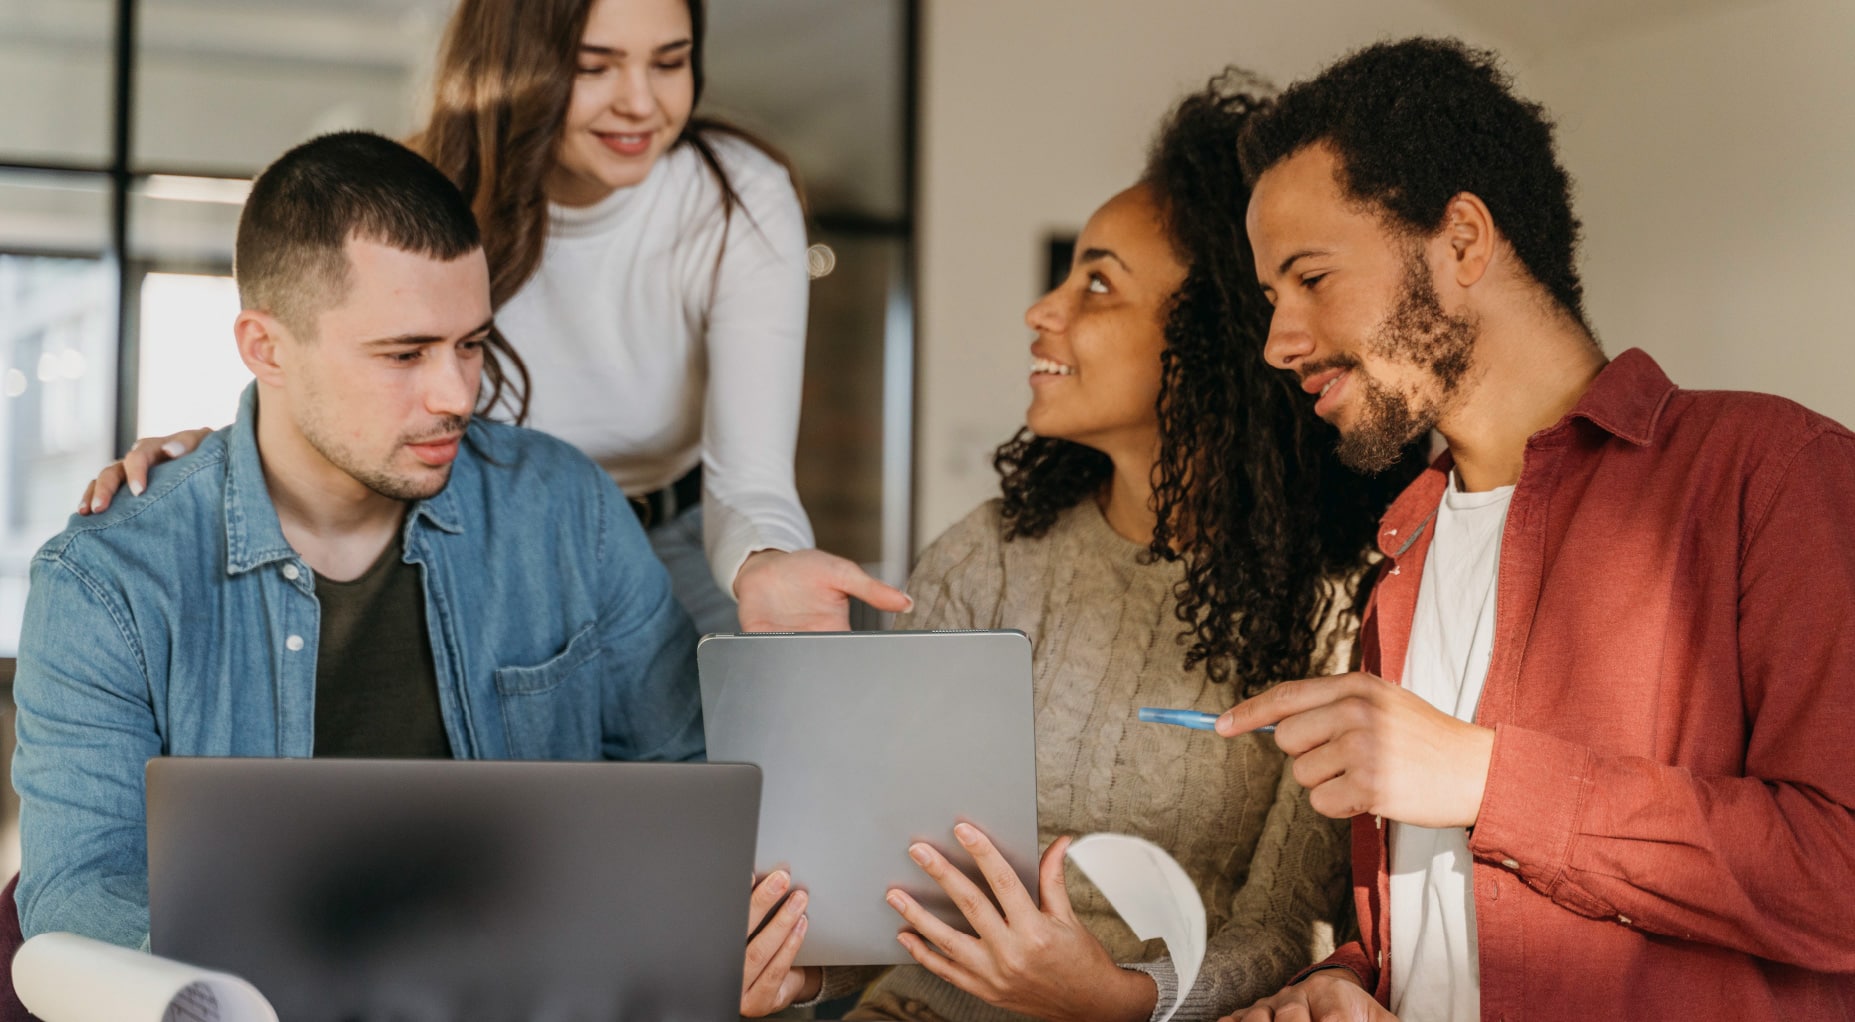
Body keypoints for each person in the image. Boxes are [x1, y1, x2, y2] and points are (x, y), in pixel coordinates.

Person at [10, 131, 811, 1016]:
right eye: (405, 354)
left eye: (471, 344)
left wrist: (720, 950)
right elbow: (76, 901)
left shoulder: (566, 512)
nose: (458, 393)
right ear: (266, 348)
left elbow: (690, 790)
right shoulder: (107, 580)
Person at [1218, 37, 1855, 1021]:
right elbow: (1450, 907)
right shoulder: (1402, 559)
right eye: (1270, 298)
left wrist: (1484, 776)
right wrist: (1346, 978)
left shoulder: (1770, 470)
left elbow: (1839, 874)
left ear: (1464, 240)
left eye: (1310, 277)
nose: (1279, 341)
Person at [804, 76, 1421, 1022]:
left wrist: (1121, 998)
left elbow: (1288, 925)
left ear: (1211, 336)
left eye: (1096, 283)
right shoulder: (988, 558)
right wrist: (803, 967)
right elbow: (884, 873)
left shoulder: (1338, 604)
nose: (1041, 312)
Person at [77, 0, 909, 637]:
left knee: (744, 759)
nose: (641, 103)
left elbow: (750, 477)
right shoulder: (426, 192)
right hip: (483, 534)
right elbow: (334, 375)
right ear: (521, 63)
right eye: (595, 65)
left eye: (670, 61)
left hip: (675, 534)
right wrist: (219, 457)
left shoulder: (737, 195)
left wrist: (764, 564)